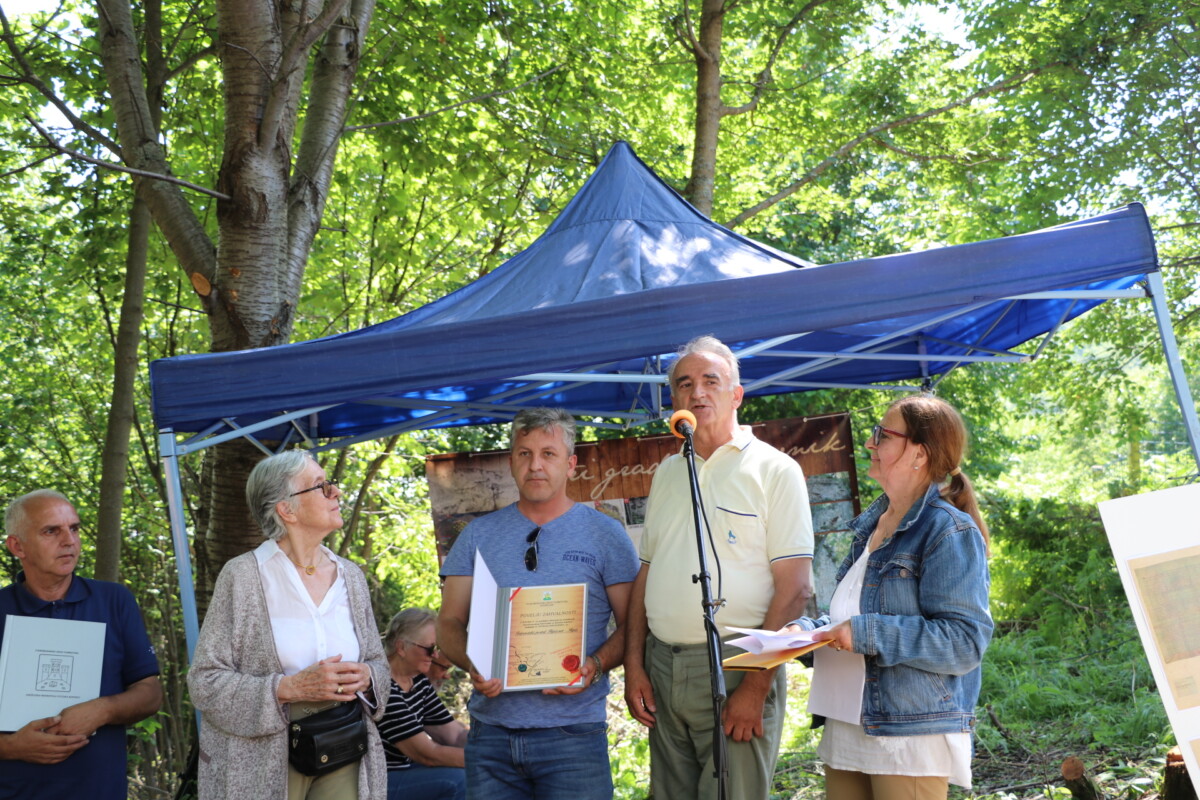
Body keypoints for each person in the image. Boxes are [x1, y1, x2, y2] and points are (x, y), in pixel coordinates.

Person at [624, 335, 815, 800]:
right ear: (675, 401)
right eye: (685, 384)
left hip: (738, 662)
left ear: (737, 394)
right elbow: (645, 576)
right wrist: (634, 663)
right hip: (663, 666)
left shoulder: (775, 469)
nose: (697, 393)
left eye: (712, 380)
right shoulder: (667, 473)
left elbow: (795, 590)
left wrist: (754, 687)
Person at [789, 394, 993, 800]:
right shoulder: (872, 526)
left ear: (918, 453)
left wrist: (864, 633)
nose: (869, 443)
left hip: (909, 736)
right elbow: (854, 616)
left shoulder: (948, 529)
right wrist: (805, 633)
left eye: (882, 434)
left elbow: (963, 643)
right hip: (846, 722)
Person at [438, 407, 640, 800]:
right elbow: (448, 623)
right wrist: (473, 662)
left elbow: (633, 625)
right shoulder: (477, 535)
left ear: (570, 463)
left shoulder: (606, 535)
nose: (535, 465)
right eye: (524, 453)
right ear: (511, 461)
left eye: (548, 453)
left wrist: (594, 667)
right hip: (491, 735)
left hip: (574, 735)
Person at [187, 451, 389, 799]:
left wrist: (368, 677)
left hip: (344, 741)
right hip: (262, 760)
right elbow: (204, 682)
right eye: (321, 487)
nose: (336, 492)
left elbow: (378, 664)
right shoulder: (243, 576)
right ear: (287, 509)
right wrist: (287, 689)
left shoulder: (351, 577)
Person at [0, 490, 162, 800]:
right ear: (17, 545)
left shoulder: (115, 600)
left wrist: (104, 709)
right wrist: (12, 746)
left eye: (73, 528)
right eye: (51, 531)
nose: (69, 540)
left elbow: (150, 694)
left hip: (99, 792)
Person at [378, 608, 468, 800]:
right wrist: (487, 760)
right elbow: (427, 754)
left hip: (404, 770)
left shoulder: (417, 681)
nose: (435, 656)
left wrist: (495, 749)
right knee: (461, 781)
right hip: (376, 781)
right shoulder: (383, 686)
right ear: (401, 647)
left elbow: (455, 735)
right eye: (430, 649)